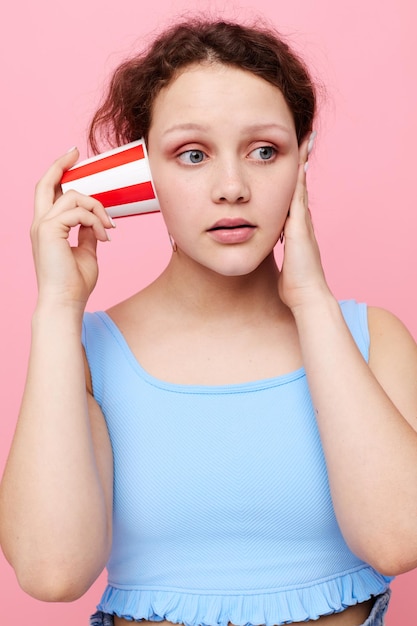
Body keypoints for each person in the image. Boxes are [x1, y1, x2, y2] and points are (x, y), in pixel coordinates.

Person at [1, 17, 417, 626]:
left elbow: (399, 539)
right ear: (142, 173)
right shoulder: (85, 352)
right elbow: (50, 572)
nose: (232, 187)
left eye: (265, 151)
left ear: (304, 157)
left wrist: (310, 299)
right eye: (191, 154)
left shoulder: (372, 337)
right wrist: (57, 308)